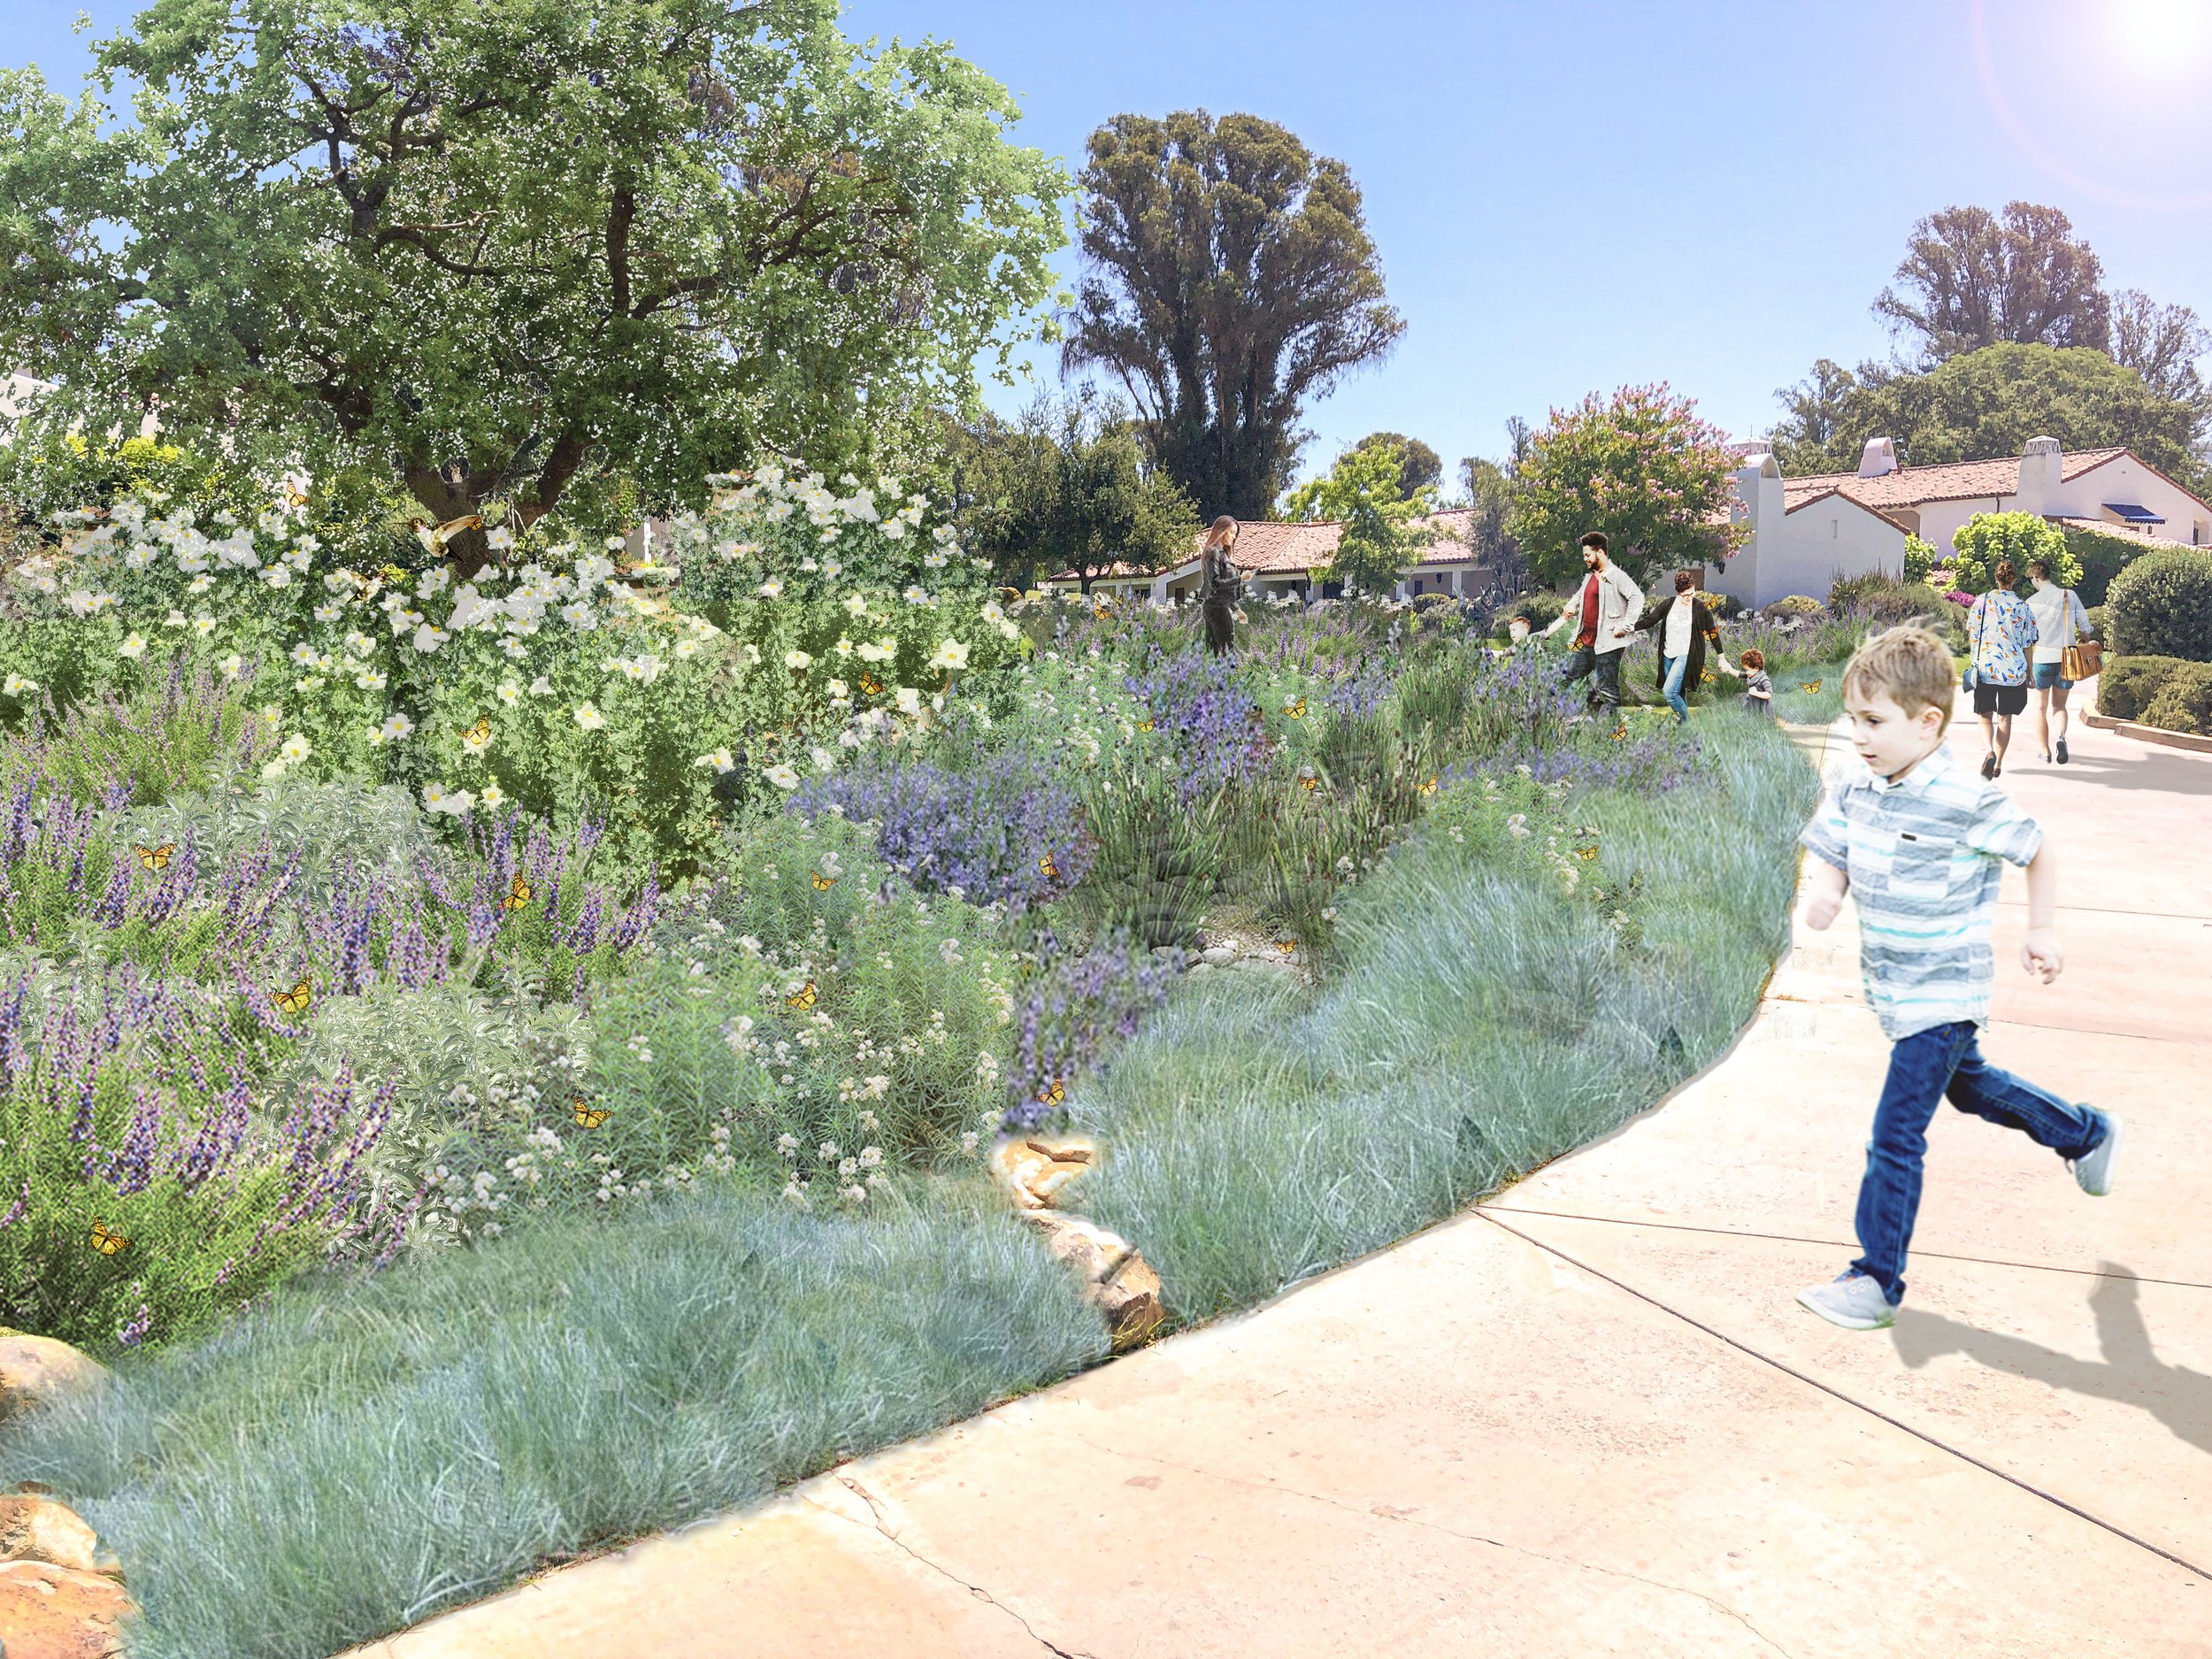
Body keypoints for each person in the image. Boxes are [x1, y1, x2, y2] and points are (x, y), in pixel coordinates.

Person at [1794, 626, 2118, 1332]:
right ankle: (2086, 1134)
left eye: (1874, 721)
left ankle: (1876, 1278)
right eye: (1854, 720)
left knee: (1896, 1134)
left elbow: (2037, 848)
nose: (1860, 735)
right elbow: (1834, 843)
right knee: (1971, 1089)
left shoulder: (1965, 798)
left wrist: (2040, 928)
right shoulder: (1860, 781)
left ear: (1928, 722)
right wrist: (1827, 886)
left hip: (1943, 992)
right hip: (1896, 984)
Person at [1552, 532, 1644, 727]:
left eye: (1587, 555)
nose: (1585, 559)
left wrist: (1626, 625)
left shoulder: (1616, 576)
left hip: (1608, 644)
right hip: (1585, 642)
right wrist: (1570, 605)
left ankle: (1614, 733)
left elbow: (1637, 597)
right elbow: (1579, 596)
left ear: (1600, 552)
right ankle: (1593, 712)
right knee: (1569, 677)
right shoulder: (1591, 577)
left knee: (1608, 689)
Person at [1966, 559, 2038, 778]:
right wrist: (2030, 672)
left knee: (1984, 714)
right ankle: (1997, 764)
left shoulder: (1982, 602)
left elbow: (1972, 634)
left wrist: (1976, 657)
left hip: (1987, 667)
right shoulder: (2022, 607)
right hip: (2013, 671)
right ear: (2013, 580)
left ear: (1996, 578)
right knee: (2005, 718)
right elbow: (2029, 643)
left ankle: (1989, 750)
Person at [1634, 571, 1739, 723]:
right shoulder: (1668, 604)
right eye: (1685, 595)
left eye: (1691, 593)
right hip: (1667, 655)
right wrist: (1629, 627)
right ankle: (1684, 732)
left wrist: (1721, 658)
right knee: (1679, 693)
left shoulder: (1700, 608)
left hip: (1687, 655)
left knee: (1669, 692)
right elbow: (1650, 620)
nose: (1689, 597)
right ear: (1678, 592)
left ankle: (1687, 723)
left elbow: (1712, 633)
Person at [2024, 556, 2093, 765]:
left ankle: (2044, 751)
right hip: (2066, 658)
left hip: (2041, 659)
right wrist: (2084, 642)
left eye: (2032, 580)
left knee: (2039, 707)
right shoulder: (2069, 596)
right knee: (2060, 706)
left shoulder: (2030, 603)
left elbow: (2026, 637)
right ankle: (2061, 737)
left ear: (2037, 578)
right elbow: (2085, 625)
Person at [1198, 516, 1244, 657]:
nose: (1233, 537)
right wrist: (1239, 579)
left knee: (1210, 653)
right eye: (1231, 532)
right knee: (1228, 651)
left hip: (1214, 606)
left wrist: (1237, 610)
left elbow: (1222, 591)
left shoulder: (1220, 554)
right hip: (1217, 608)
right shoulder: (1214, 552)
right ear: (1221, 531)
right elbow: (1216, 584)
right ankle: (1232, 678)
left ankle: (1204, 678)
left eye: (1235, 534)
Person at [1739, 648, 1773, 717]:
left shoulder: (1764, 679)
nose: (1746, 672)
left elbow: (1769, 695)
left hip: (1763, 709)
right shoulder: (1752, 675)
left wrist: (1756, 693)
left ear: (1756, 668)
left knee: (1762, 723)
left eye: (1747, 670)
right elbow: (1739, 674)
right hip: (1753, 705)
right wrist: (1729, 669)